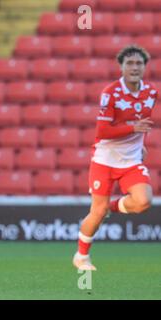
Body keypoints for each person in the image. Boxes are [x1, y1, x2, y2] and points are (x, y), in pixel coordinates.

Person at [73, 45, 158, 270]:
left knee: (144, 201)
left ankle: (110, 207)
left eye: (139, 63)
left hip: (130, 161)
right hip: (105, 160)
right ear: (121, 67)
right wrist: (132, 129)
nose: (134, 67)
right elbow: (103, 131)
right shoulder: (110, 93)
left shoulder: (151, 92)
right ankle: (81, 256)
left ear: (144, 67)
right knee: (97, 212)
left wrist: (142, 145)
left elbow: (143, 123)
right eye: (129, 63)